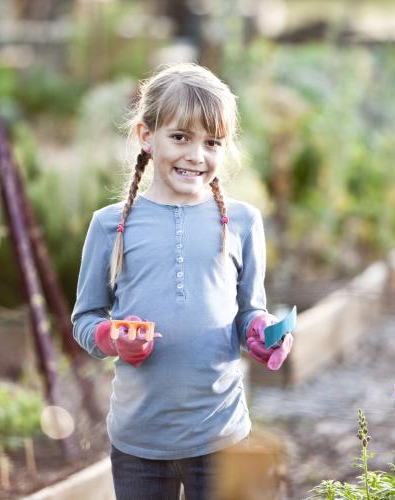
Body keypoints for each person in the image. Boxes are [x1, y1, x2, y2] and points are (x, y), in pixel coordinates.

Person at [71, 62, 294, 499]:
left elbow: (250, 311)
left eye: (212, 143)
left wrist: (261, 334)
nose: (196, 155)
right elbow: (85, 318)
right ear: (145, 137)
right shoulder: (110, 226)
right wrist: (112, 336)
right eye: (180, 137)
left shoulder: (243, 222)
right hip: (138, 441)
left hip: (222, 436)